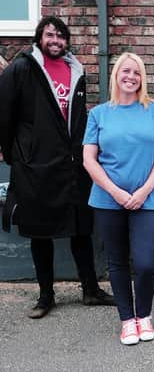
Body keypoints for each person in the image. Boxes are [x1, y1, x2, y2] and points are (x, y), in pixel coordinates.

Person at [0, 16, 115, 319]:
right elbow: (4, 114)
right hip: (35, 166)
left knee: (80, 228)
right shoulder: (22, 68)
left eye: (61, 36)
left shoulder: (75, 69)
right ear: (39, 38)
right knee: (40, 233)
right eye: (50, 35)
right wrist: (14, 153)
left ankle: (90, 289)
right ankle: (45, 296)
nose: (56, 41)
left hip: (73, 164)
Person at [82, 52, 154, 345]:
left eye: (136, 72)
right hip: (108, 200)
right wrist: (116, 192)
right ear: (116, 76)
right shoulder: (99, 114)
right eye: (125, 71)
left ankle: (144, 315)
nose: (131, 77)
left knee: (146, 262)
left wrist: (145, 190)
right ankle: (127, 321)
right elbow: (89, 159)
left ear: (142, 78)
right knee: (117, 261)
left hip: (147, 199)